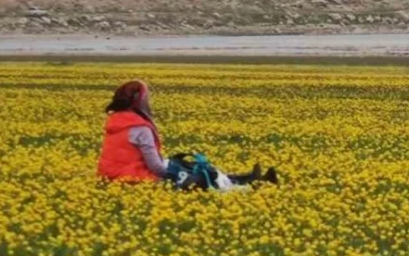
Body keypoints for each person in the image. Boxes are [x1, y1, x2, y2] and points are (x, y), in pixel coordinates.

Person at [97, 80, 277, 190]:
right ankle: (248, 185)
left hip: (112, 177)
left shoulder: (116, 121)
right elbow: (156, 168)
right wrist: (177, 170)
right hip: (133, 179)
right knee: (196, 177)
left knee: (187, 168)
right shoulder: (139, 128)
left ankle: (244, 179)